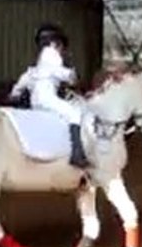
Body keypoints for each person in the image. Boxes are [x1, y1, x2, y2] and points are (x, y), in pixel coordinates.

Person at [9, 23, 88, 168]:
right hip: (48, 100)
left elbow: (20, 85)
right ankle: (77, 153)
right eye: (60, 46)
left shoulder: (33, 70)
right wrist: (72, 74)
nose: (61, 49)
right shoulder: (53, 59)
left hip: (35, 103)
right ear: (54, 43)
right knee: (74, 112)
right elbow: (64, 75)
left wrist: (15, 93)